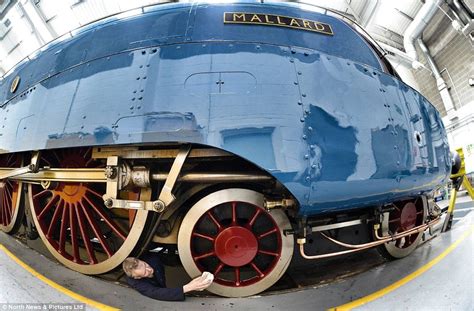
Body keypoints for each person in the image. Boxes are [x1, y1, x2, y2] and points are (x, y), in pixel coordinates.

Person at [122, 252, 214, 301]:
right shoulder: (136, 282)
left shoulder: (153, 259)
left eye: (146, 265)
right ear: (138, 277)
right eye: (145, 272)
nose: (149, 269)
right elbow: (155, 292)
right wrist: (188, 287)